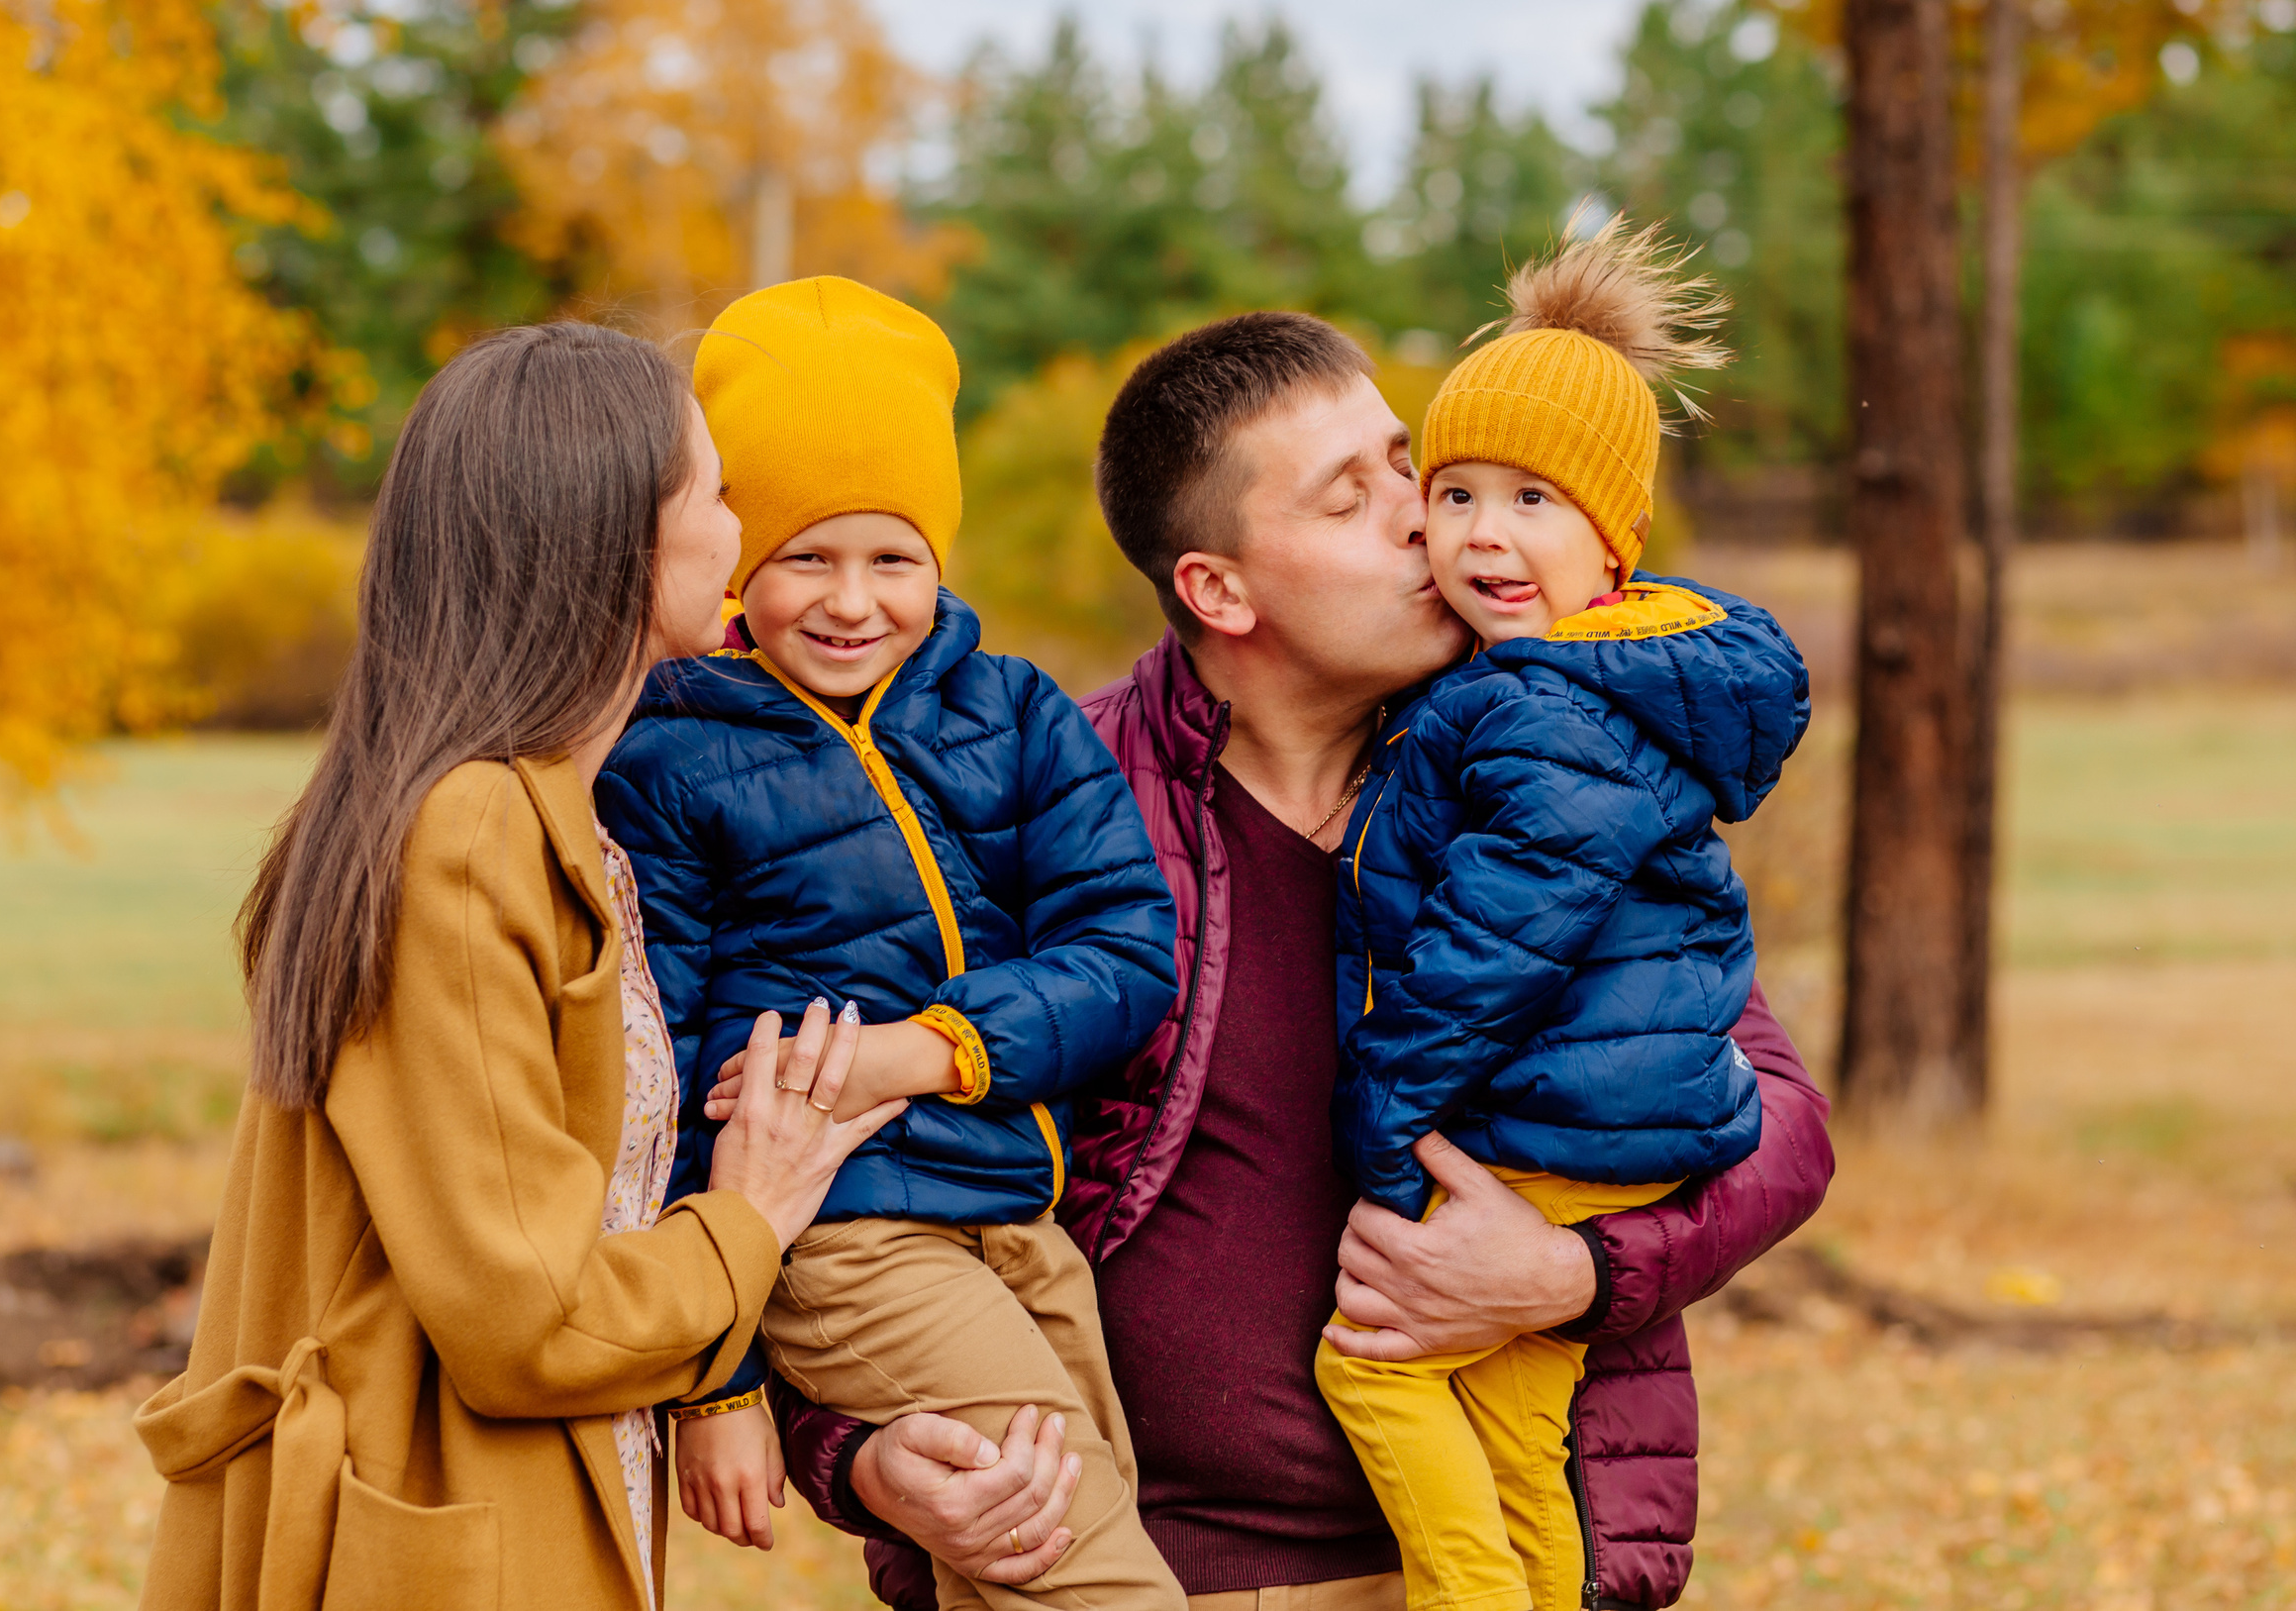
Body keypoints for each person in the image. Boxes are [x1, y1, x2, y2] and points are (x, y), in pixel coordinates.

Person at [774, 308, 1838, 1611]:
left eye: (1408, 465)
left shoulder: (1545, 765)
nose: (1423, 518)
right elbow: (839, 1182)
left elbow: (1783, 1122)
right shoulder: (1037, 800)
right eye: (1353, 498)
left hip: (1481, 1560)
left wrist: (1576, 1274)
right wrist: (859, 1457)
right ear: (1219, 589)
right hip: (1118, 1572)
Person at [132, 323, 906, 1611]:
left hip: (539, 1499)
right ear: (615, 538)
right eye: (712, 490)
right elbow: (530, 1319)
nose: (738, 524)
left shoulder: (543, 813)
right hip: (457, 1534)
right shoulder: (472, 830)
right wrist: (750, 1219)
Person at [599, 277, 1186, 1609]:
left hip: (1023, 1228)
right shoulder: (673, 758)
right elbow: (670, 1080)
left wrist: (915, 1054)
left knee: (1009, 1566)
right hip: (848, 1244)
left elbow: (1128, 954)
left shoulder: (1021, 717)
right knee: (1092, 1584)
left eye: (893, 558)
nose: (853, 601)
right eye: (808, 556)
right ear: (738, 556)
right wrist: (721, 1384)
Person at [1314, 222, 1812, 1611]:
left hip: (1549, 1128)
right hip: (1600, 1124)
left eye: (1534, 501)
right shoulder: (1603, 679)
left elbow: (1494, 948)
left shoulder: (1546, 709)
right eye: (1457, 493)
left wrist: (1383, 1122)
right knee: (1523, 1430)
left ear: (1619, 537)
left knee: (1369, 1368)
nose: (1484, 534)